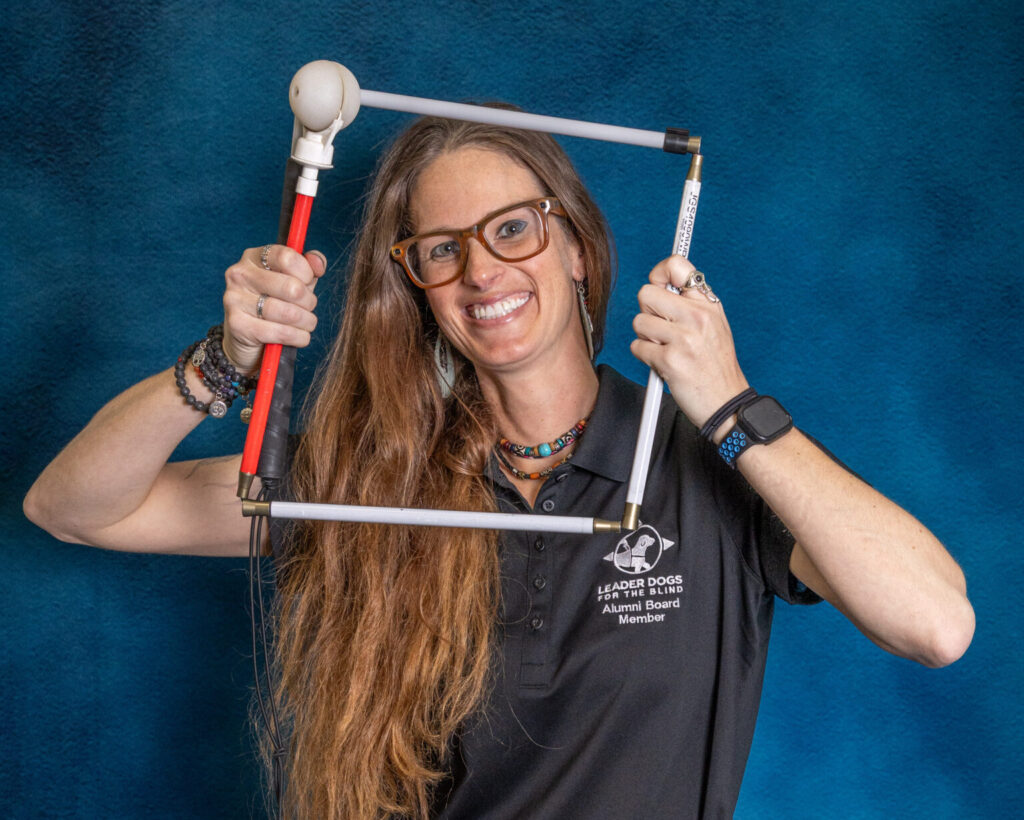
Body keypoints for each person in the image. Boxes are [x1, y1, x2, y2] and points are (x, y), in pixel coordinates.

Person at [24, 111, 975, 819]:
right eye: (442, 251)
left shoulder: (717, 465)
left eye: (512, 230)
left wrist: (728, 406)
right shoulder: (377, 482)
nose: (482, 272)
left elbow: (934, 624)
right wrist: (223, 363)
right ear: (420, 290)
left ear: (574, 248)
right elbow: (76, 508)